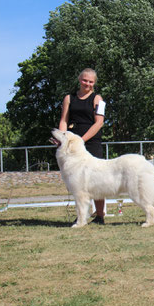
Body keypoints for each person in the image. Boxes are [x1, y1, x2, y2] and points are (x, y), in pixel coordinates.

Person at [59, 68, 107, 224]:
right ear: (79, 80)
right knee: (77, 182)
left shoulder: (97, 98)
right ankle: (82, 215)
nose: (87, 83)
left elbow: (99, 122)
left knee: (97, 180)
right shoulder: (69, 98)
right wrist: (62, 138)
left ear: (94, 83)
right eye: (85, 80)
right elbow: (64, 121)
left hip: (91, 142)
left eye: (91, 81)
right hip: (71, 145)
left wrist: (82, 140)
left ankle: (100, 215)